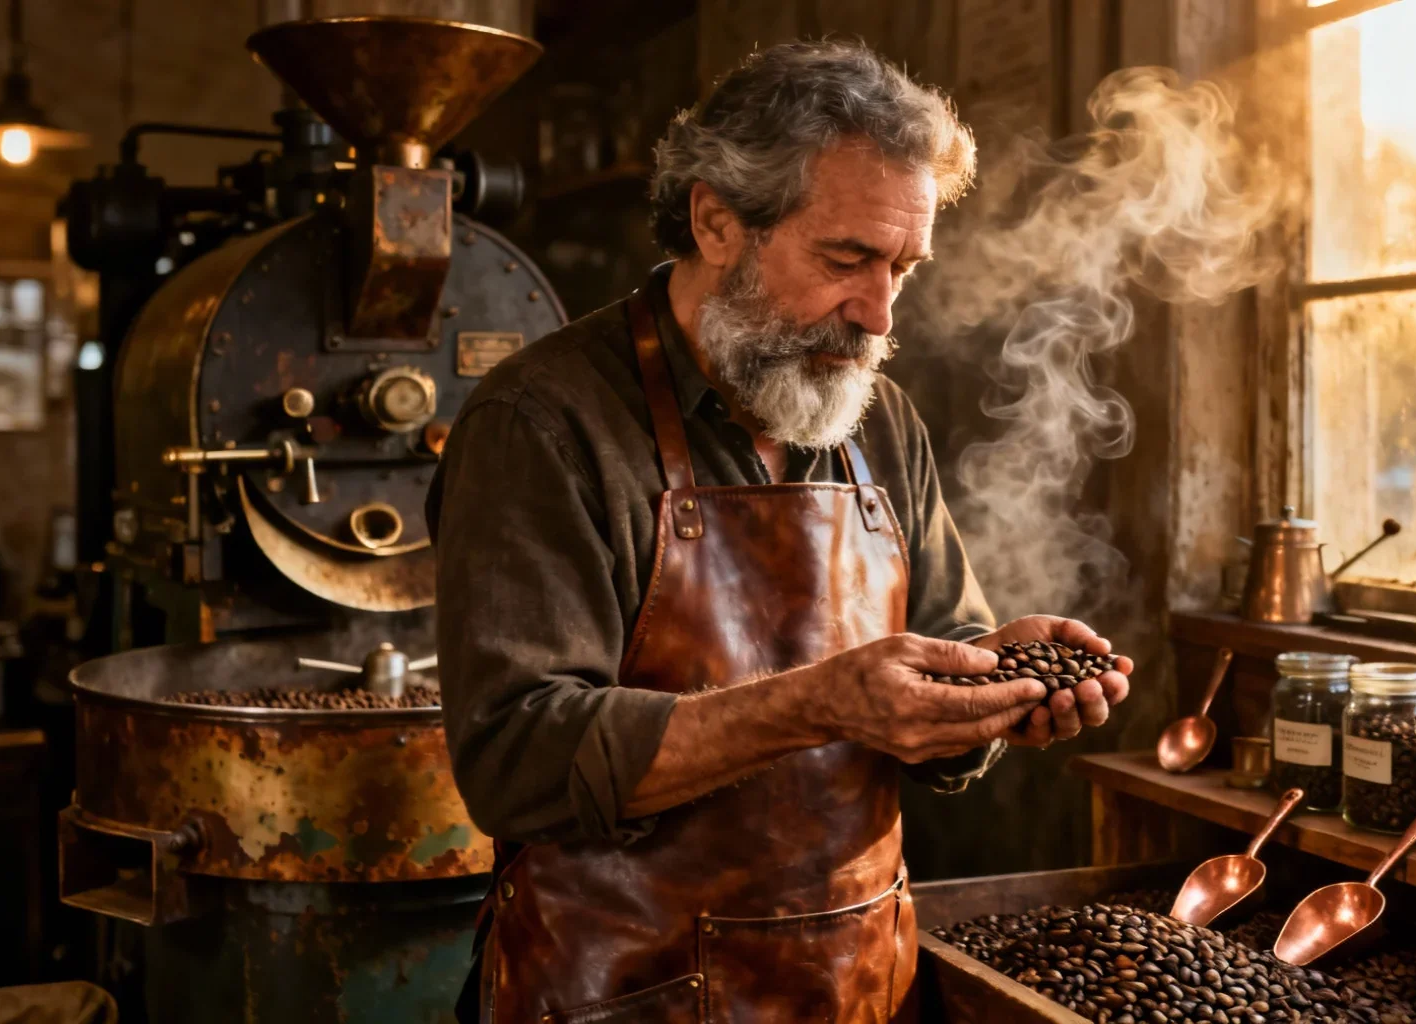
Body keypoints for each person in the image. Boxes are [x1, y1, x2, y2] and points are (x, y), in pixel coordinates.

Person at [427, 39, 1132, 1023]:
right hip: (620, 992)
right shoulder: (543, 423)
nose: (877, 312)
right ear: (716, 220)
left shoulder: (876, 417)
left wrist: (991, 693)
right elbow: (516, 756)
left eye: (902, 268)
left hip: (856, 985)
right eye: (845, 259)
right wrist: (817, 704)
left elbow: (941, 661)